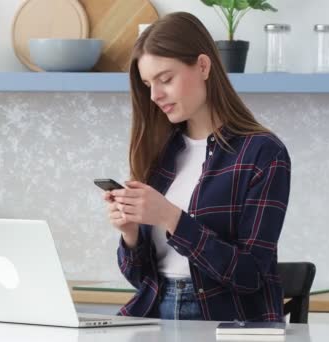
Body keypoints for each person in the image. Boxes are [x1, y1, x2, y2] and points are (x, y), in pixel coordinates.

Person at [102, 12, 291, 322]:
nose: (155, 95)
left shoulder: (263, 153)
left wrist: (169, 216)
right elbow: (142, 280)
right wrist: (130, 234)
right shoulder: (162, 154)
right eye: (148, 84)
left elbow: (250, 275)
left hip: (225, 322)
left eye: (165, 79)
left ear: (203, 66)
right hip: (156, 315)